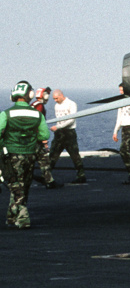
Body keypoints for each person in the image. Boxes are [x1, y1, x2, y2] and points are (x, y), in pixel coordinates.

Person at [1, 81, 50, 228]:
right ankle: (11, 216)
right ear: (30, 95)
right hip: (29, 154)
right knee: (24, 185)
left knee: (15, 185)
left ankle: (22, 219)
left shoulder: (6, 114)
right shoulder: (37, 114)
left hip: (10, 156)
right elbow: (44, 135)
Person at [43, 89, 85, 186]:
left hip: (69, 132)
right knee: (53, 154)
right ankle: (47, 177)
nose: (55, 100)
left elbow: (71, 119)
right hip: (59, 133)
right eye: (54, 99)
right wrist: (58, 128)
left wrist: (58, 126)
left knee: (74, 155)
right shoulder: (56, 105)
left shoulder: (71, 104)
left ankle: (81, 176)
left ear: (61, 95)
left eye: (56, 98)